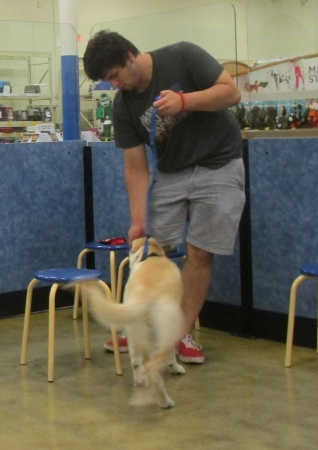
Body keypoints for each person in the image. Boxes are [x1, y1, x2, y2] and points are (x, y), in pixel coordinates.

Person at [82, 30, 244, 364]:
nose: (114, 84)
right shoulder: (123, 106)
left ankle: (177, 334)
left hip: (219, 162)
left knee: (200, 251)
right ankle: (137, 322)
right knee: (152, 249)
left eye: (115, 75)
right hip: (172, 171)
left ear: (130, 56)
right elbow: (135, 167)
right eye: (107, 80)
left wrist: (184, 102)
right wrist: (138, 220)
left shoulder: (182, 55)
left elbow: (231, 92)